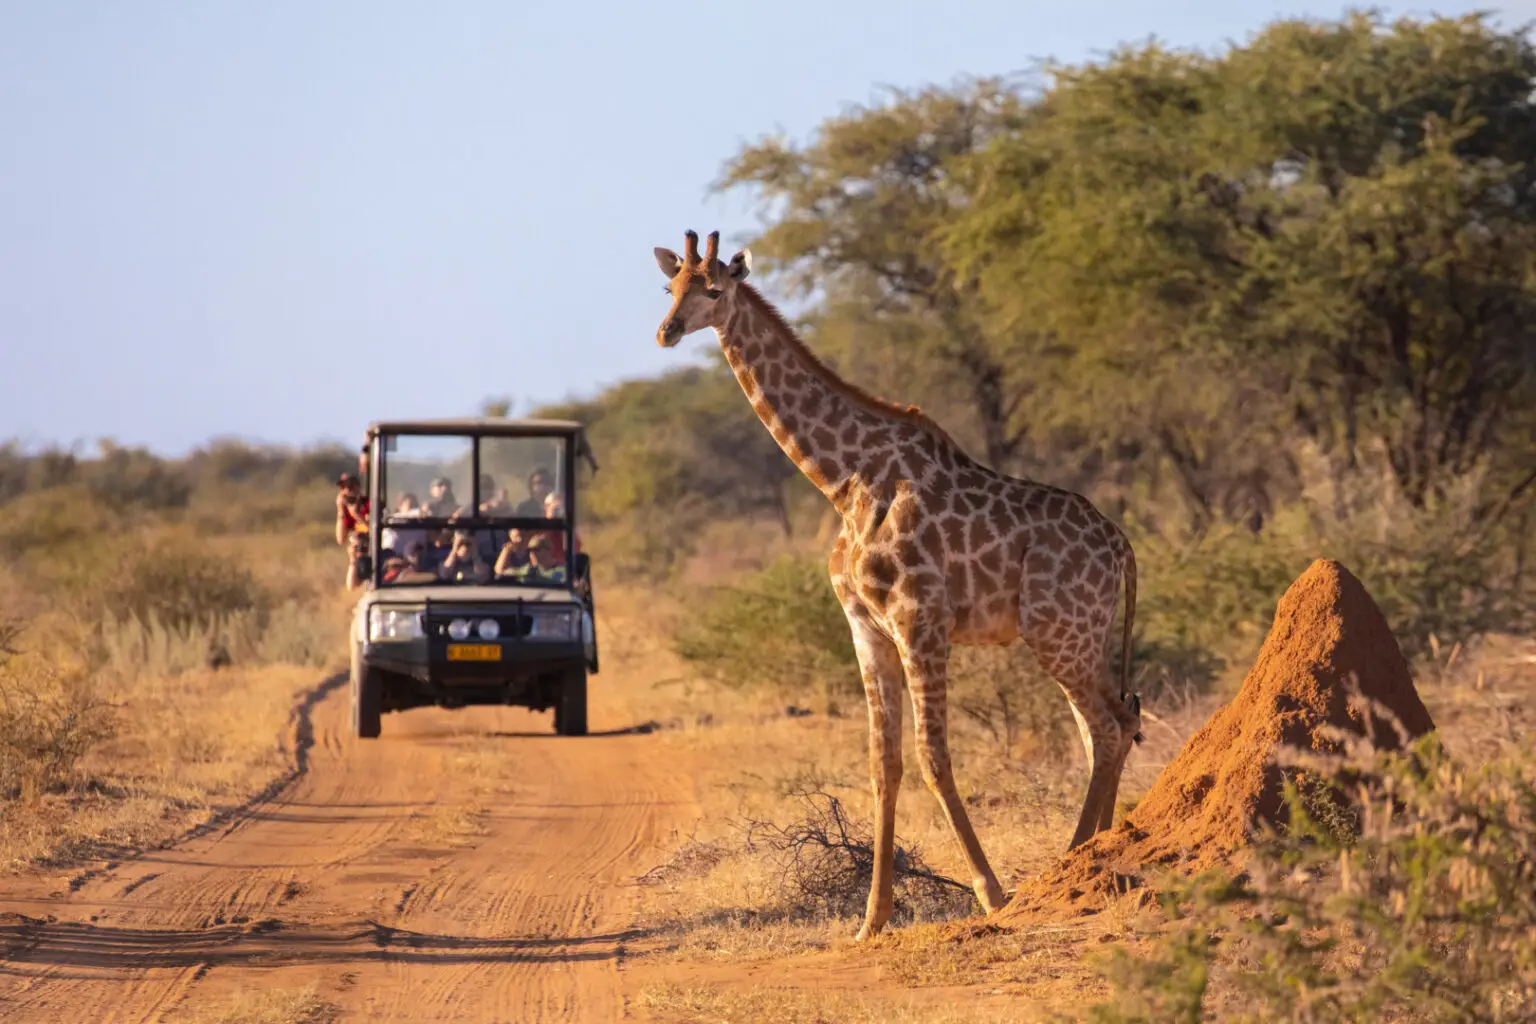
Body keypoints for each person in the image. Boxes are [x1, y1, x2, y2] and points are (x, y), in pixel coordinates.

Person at [334, 472, 370, 589]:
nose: (347, 491)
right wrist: (341, 511)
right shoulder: (345, 510)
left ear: (358, 487)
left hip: (371, 548)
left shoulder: (368, 503)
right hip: (357, 550)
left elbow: (374, 529)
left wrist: (357, 515)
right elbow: (340, 539)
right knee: (352, 584)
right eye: (343, 488)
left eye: (350, 487)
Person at [502, 533, 567, 583]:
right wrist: (507, 549)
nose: (532, 554)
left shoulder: (564, 571)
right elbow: (501, 572)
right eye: (530, 550)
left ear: (549, 550)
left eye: (536, 549)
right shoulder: (528, 570)